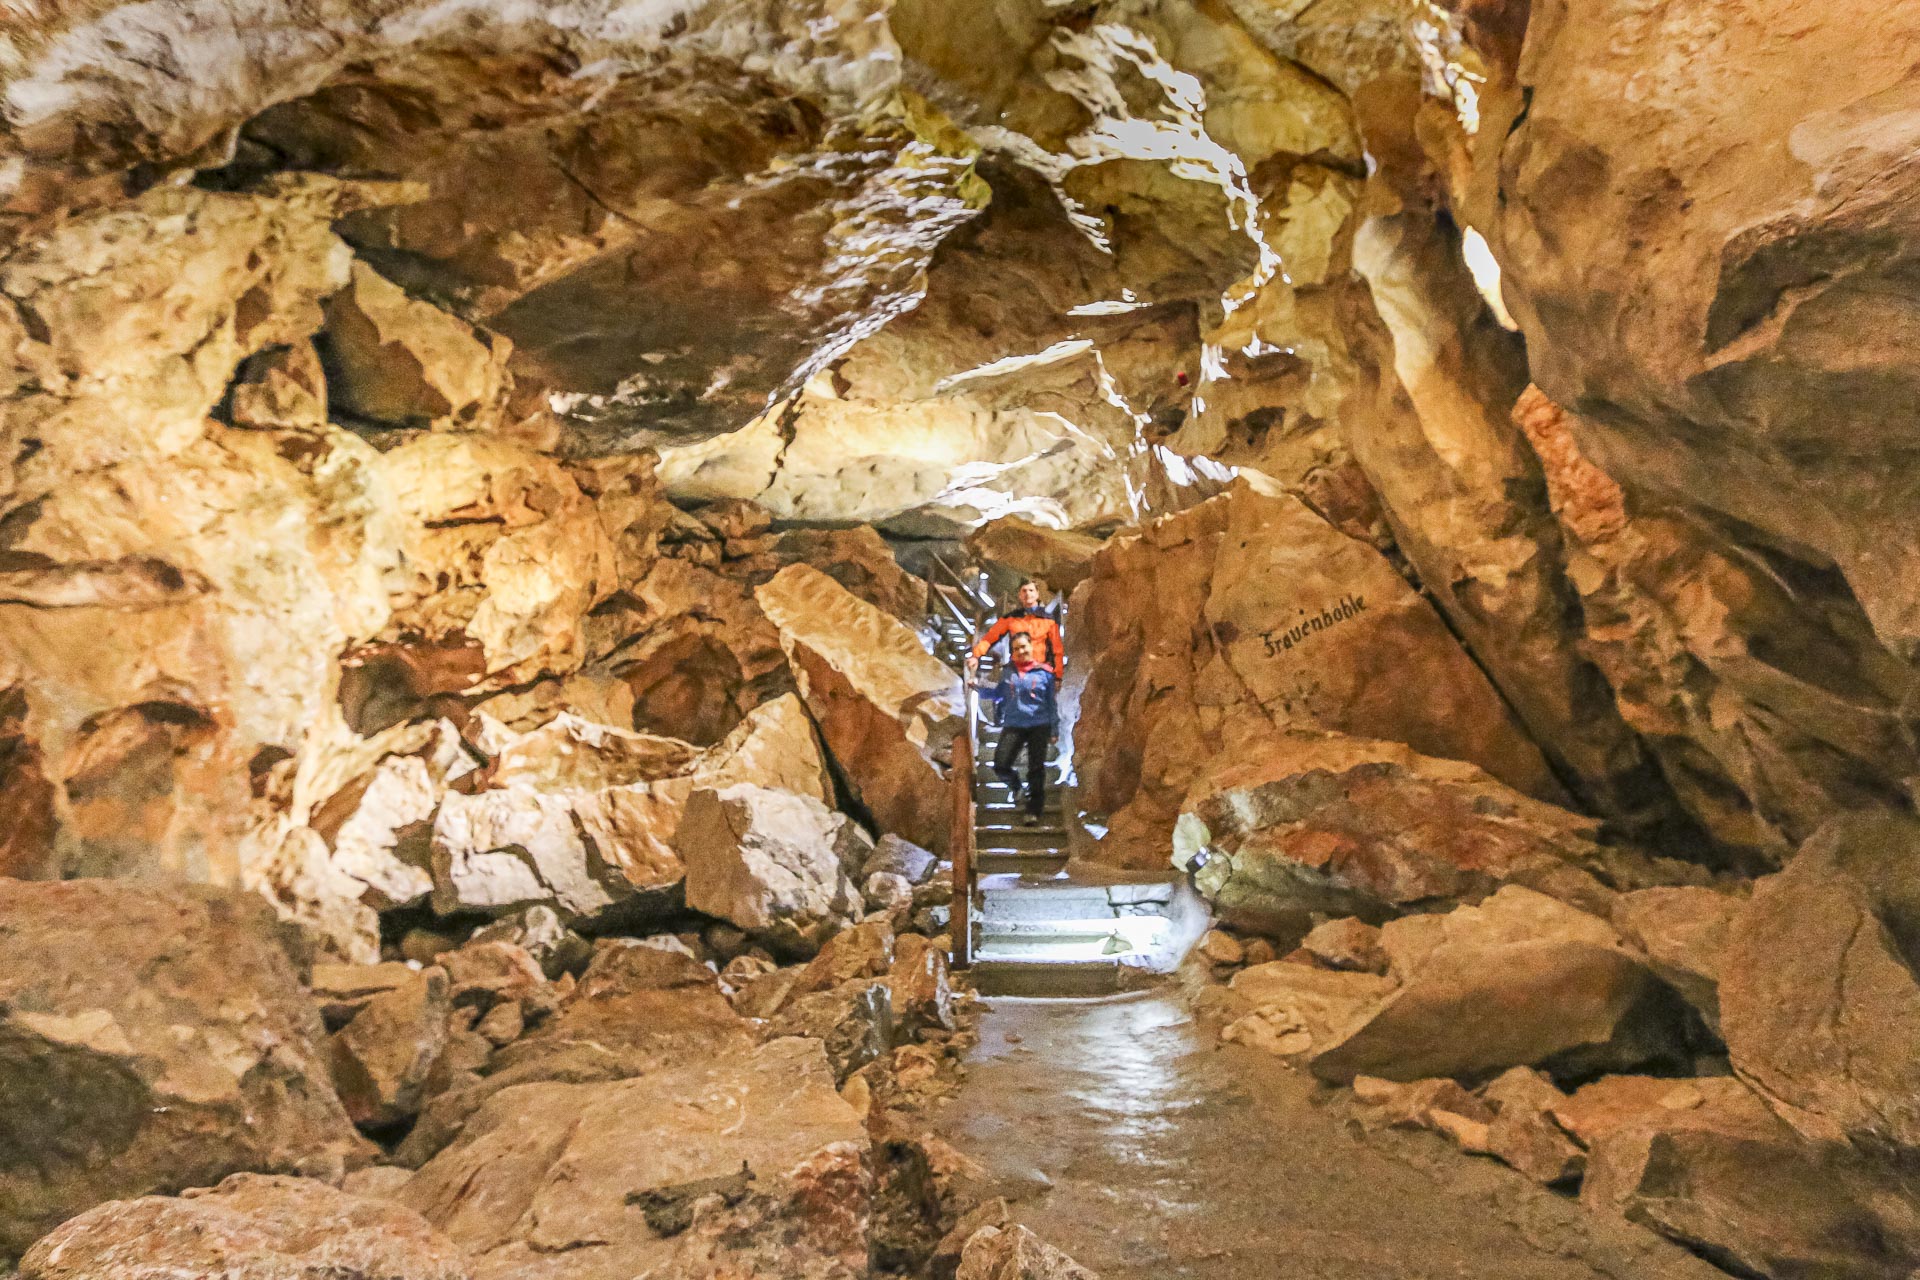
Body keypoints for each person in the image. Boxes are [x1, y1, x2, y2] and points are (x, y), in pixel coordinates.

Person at [975, 632, 1058, 825]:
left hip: (1039, 723)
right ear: (1012, 652)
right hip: (1014, 723)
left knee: (1036, 768)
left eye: (1023, 647)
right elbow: (999, 694)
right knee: (1001, 764)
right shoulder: (1008, 672)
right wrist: (978, 689)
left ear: (1032, 647)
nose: (1021, 651)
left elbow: (1051, 704)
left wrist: (1054, 729)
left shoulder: (1044, 673)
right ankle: (1017, 788)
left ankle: (1034, 810)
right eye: (1016, 649)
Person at [966, 579, 1064, 679]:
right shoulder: (1010, 618)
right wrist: (975, 656)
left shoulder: (1049, 620)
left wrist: (1058, 675)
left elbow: (1057, 649)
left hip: (1040, 672)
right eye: (1024, 591)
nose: (1027, 594)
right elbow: (990, 638)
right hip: (1017, 672)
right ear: (1020, 595)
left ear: (1037, 594)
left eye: (1031, 590)